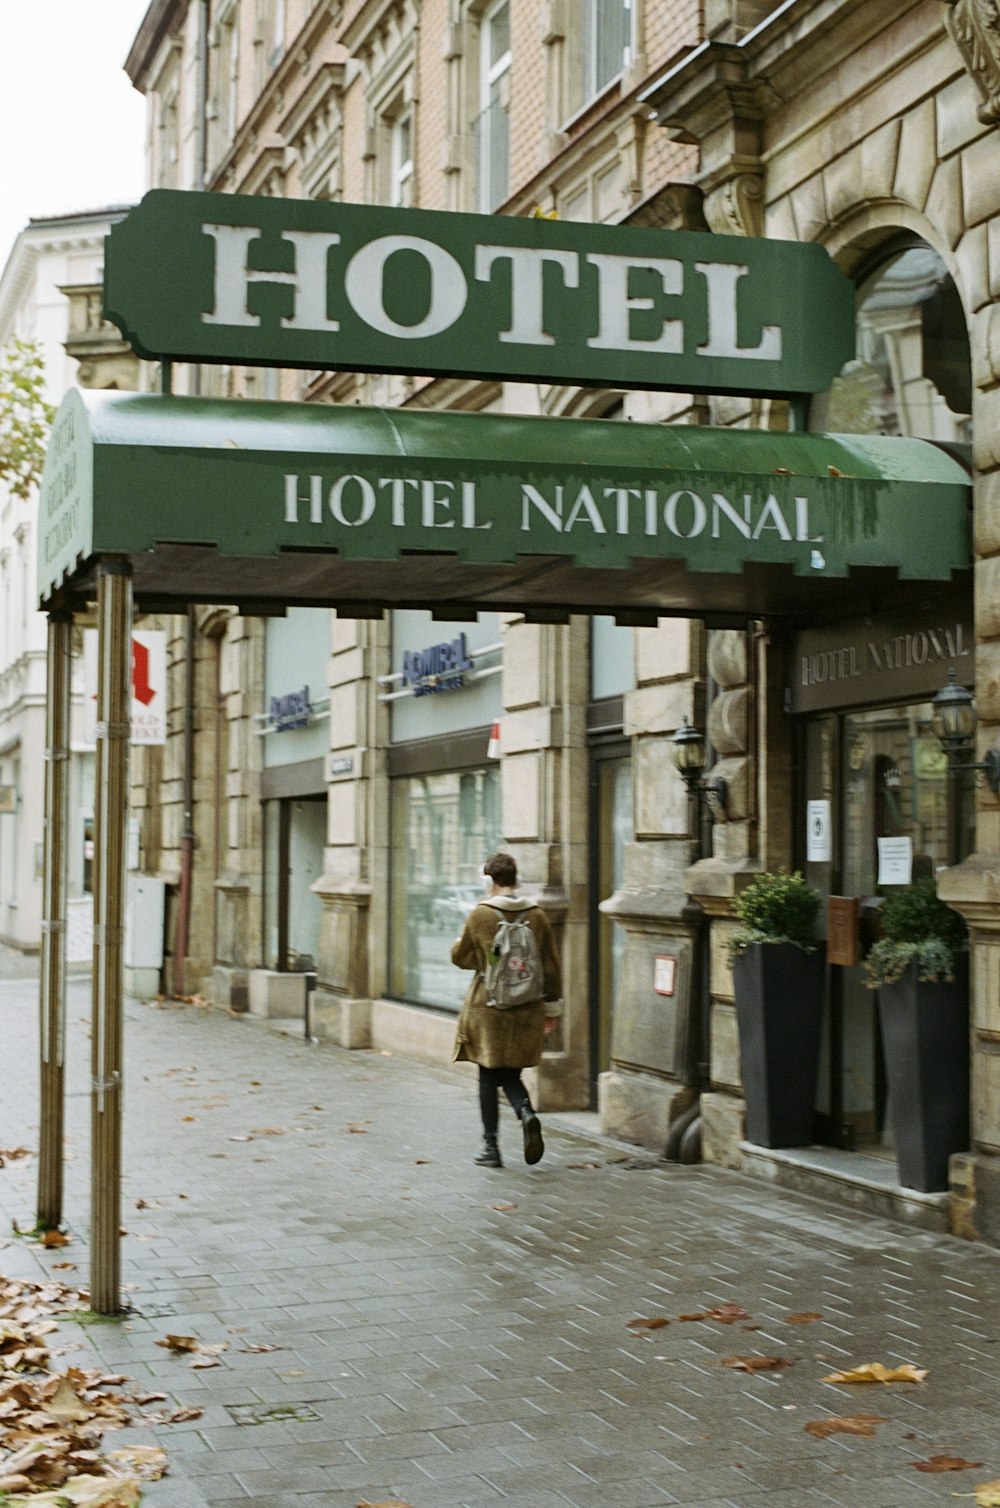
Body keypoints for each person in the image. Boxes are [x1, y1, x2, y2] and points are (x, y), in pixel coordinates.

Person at [451, 852, 562, 1168]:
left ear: (490, 881)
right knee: (510, 1071)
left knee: (488, 1073)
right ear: (516, 879)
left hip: (489, 1007)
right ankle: (525, 1112)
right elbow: (551, 967)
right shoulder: (537, 915)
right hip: (526, 1008)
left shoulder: (480, 915)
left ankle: (491, 1147)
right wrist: (552, 1011)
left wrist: (480, 955)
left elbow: (461, 957)